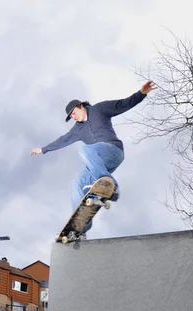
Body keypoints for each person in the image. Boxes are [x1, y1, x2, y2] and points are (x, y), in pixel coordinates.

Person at [30, 80, 155, 236]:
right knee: (77, 183)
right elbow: (62, 140)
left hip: (113, 151)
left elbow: (122, 104)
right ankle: (79, 227)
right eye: (71, 117)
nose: (74, 117)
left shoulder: (100, 109)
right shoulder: (77, 130)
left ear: (80, 106)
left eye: (74, 113)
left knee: (84, 150)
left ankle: (111, 186)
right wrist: (43, 149)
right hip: (99, 164)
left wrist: (141, 94)